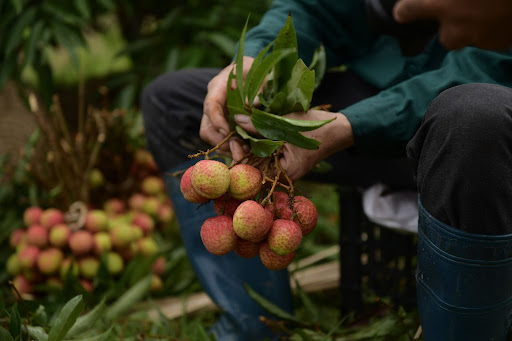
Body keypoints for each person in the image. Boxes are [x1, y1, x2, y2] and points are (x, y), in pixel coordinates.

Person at [140, 0, 512, 339]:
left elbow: (491, 70)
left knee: (474, 118)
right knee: (174, 103)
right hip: (379, 101)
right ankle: (254, 330)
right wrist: (259, 61)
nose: (402, 11)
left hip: (485, 135)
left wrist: (350, 125)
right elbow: (324, 8)